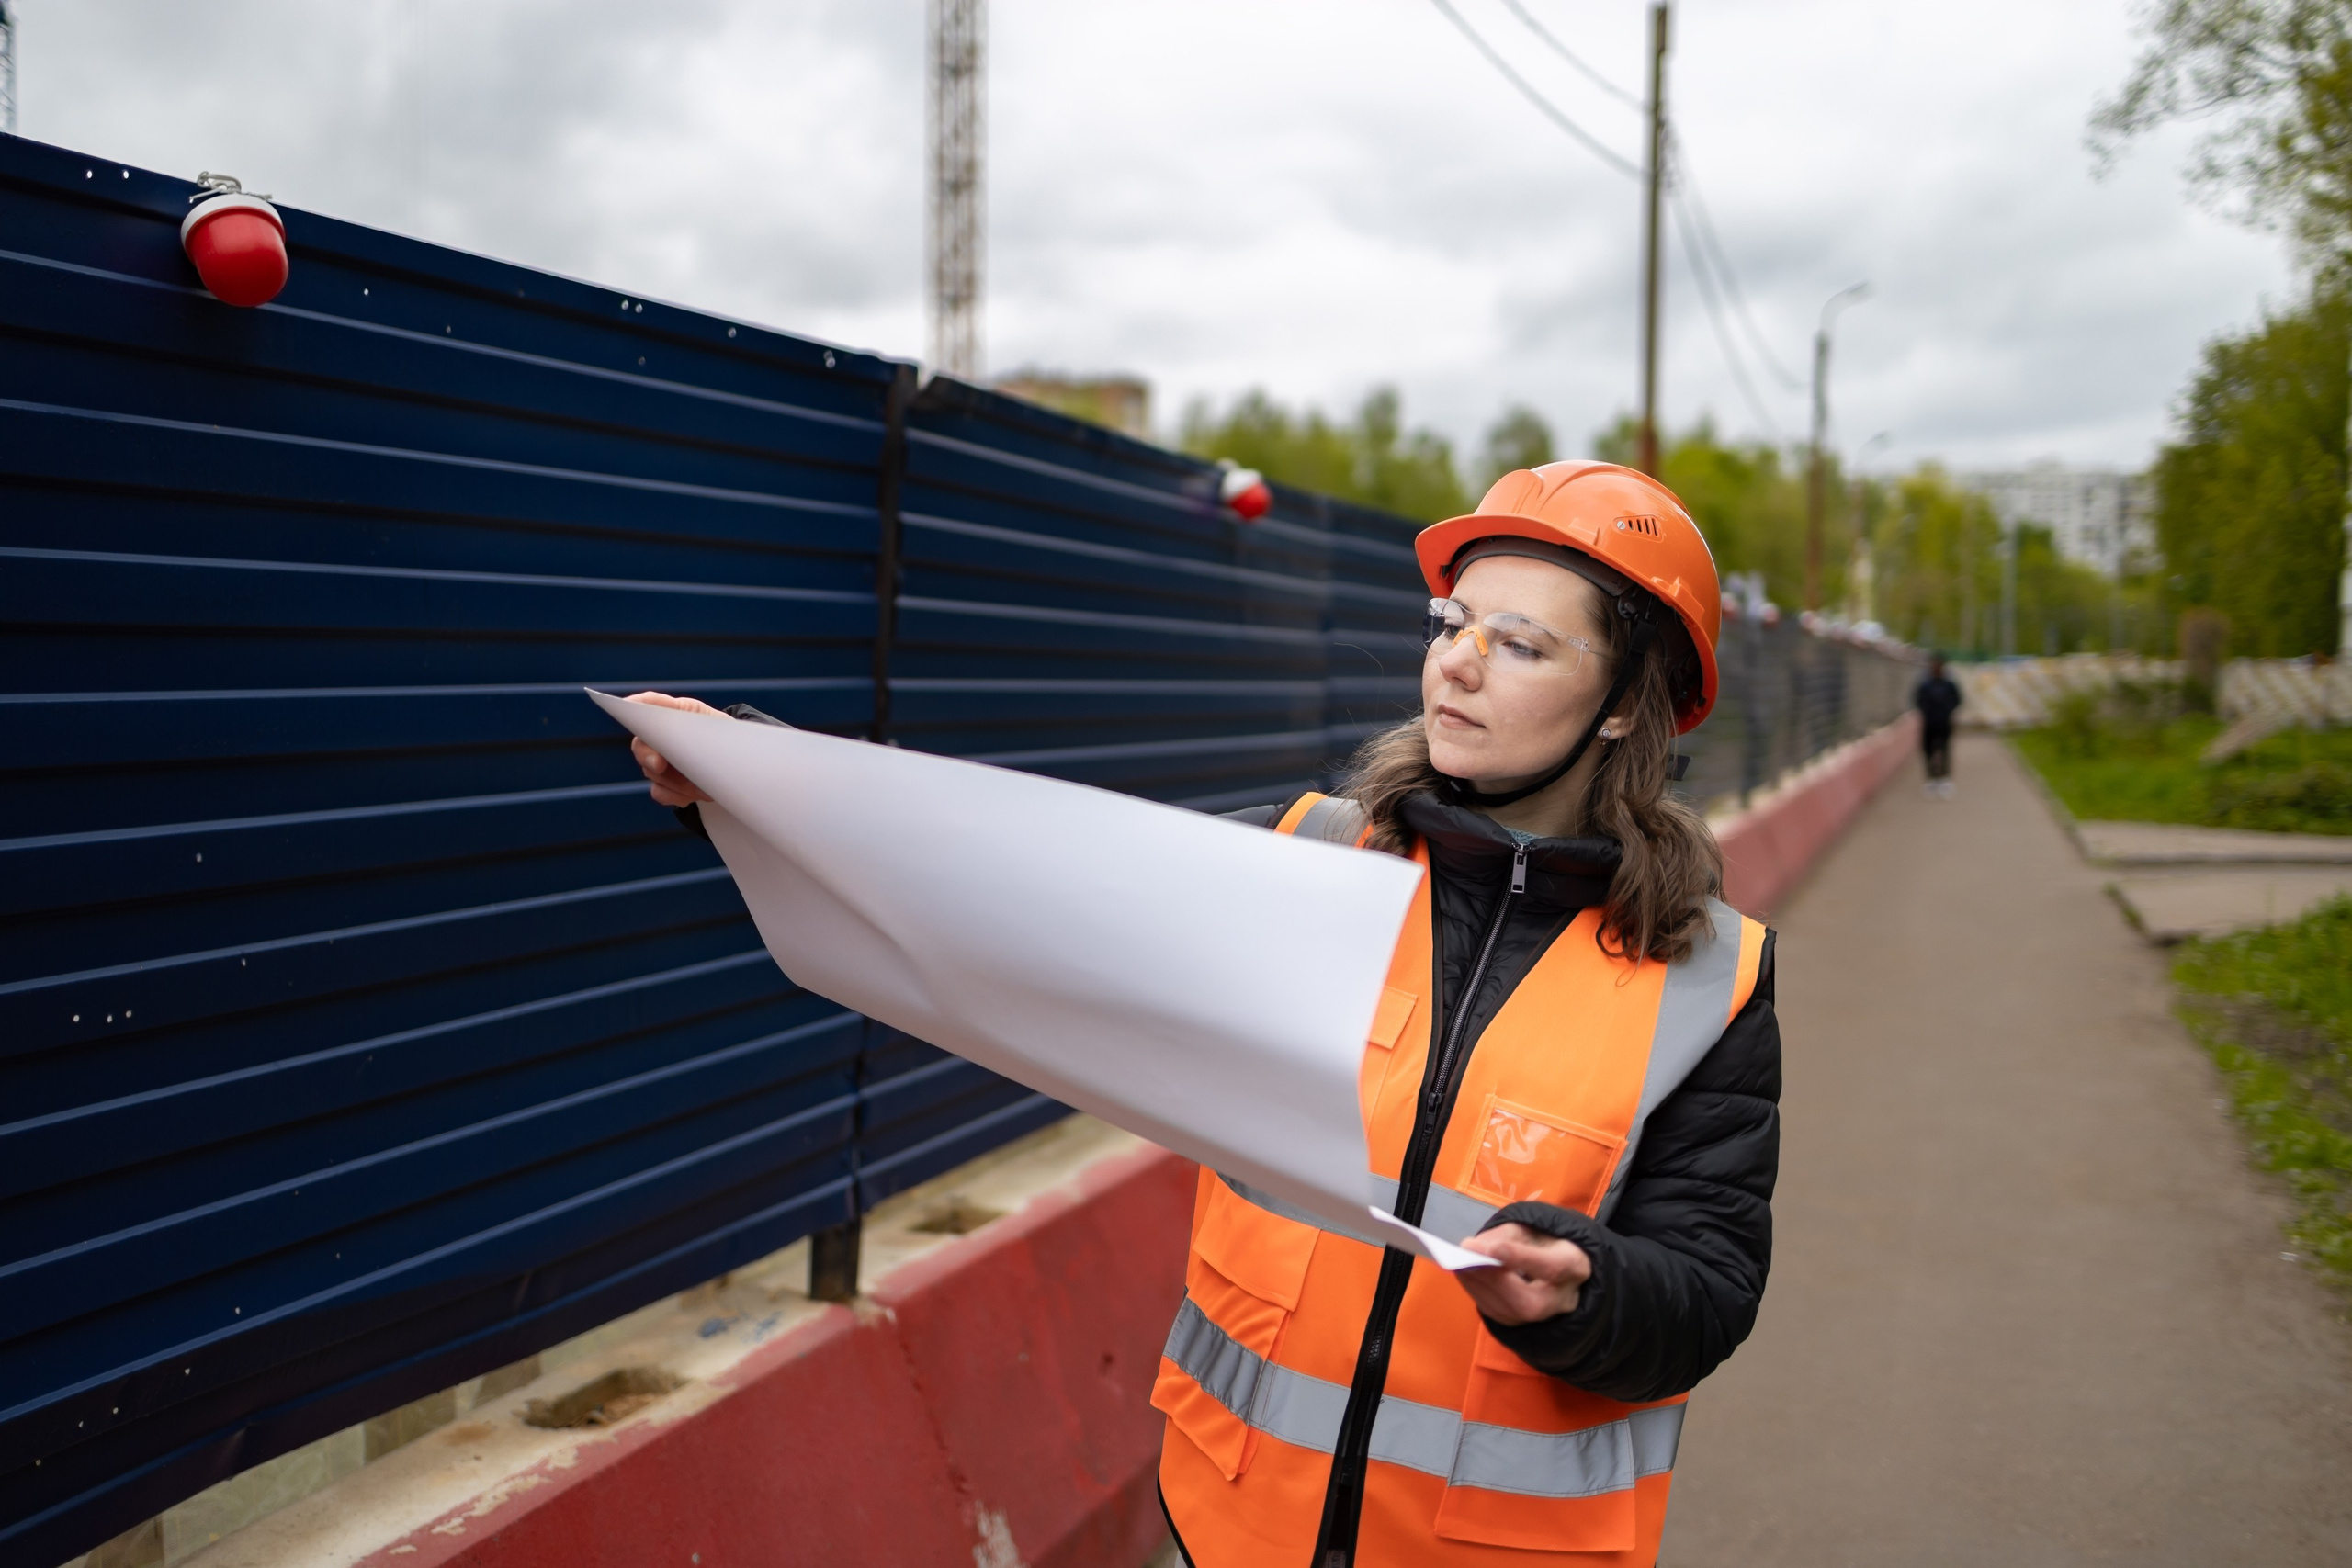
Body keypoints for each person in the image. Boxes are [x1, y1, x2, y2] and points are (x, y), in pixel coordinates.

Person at [629, 460, 1781, 1568]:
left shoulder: (1704, 976)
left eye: (1518, 643)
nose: (1456, 666)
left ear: (1627, 705)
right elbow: (1018, 895)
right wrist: (753, 779)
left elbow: (1708, 1286)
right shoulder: (1304, 863)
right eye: (1451, 623)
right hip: (1234, 1522)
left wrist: (1587, 1290)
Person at [1915, 655, 1962, 797]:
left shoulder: (1949, 685)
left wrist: (1947, 711)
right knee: (1928, 751)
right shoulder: (1925, 685)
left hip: (1944, 723)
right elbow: (1918, 700)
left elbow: (1957, 699)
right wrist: (1928, 712)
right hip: (1929, 723)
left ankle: (1944, 778)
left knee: (1944, 750)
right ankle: (1931, 778)